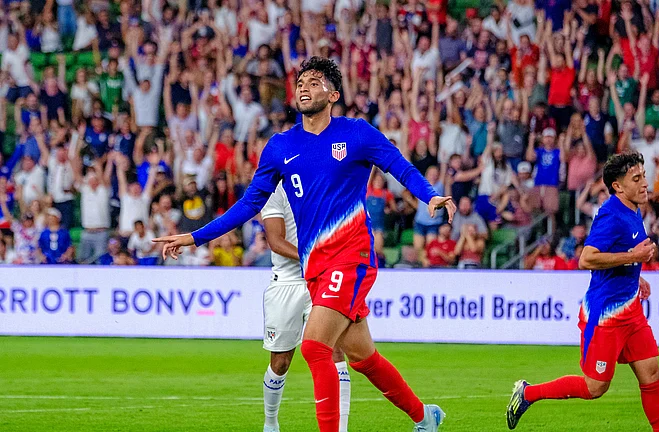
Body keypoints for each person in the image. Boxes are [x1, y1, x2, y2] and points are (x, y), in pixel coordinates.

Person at [154, 57, 455, 432]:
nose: (304, 86)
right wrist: (194, 236)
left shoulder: (357, 133)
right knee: (364, 358)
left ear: (333, 94)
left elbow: (398, 165)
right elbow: (250, 204)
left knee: (314, 347)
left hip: (352, 256)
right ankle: (426, 417)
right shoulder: (280, 146)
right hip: (316, 267)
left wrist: (429, 195)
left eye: (314, 82)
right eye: (301, 82)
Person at [507, 152, 659, 432]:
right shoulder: (610, 215)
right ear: (618, 186)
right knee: (595, 387)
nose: (645, 183)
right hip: (605, 315)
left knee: (651, 373)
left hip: (630, 309)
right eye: (637, 178)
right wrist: (632, 257)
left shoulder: (634, 208)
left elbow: (624, 255)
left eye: (643, 176)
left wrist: (635, 275)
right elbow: (587, 258)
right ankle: (528, 393)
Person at [260, 181, 352, 432]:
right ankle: (271, 423)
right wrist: (314, 254)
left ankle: (340, 429)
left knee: (333, 351)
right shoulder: (273, 190)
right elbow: (276, 241)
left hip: (321, 279)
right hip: (286, 283)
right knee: (280, 363)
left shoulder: (321, 181)